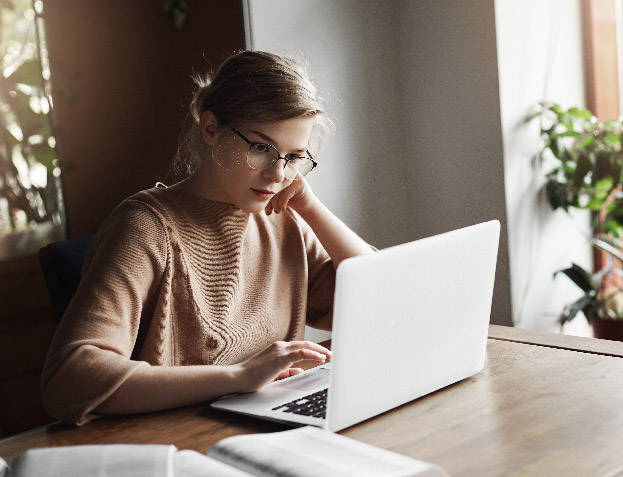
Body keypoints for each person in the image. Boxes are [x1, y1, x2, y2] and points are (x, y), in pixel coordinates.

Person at [41, 51, 374, 426]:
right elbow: (69, 379)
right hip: (182, 440)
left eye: (295, 156)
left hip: (275, 428)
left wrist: (312, 208)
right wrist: (239, 377)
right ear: (211, 128)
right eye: (261, 147)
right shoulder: (146, 227)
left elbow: (381, 299)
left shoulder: (284, 220)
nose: (277, 174)